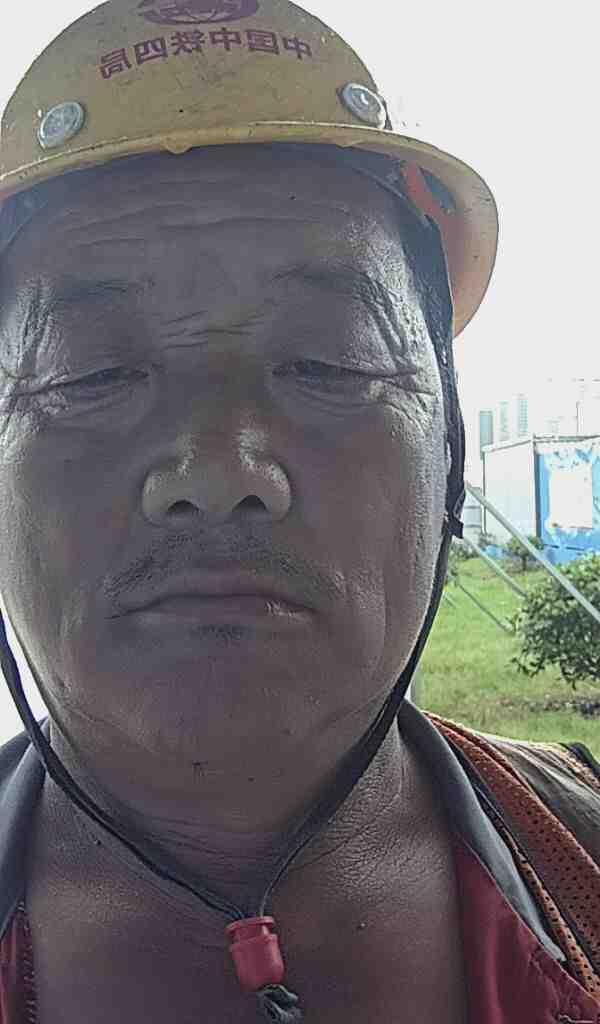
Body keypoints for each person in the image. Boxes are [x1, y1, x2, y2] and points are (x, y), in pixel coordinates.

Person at [0, 1, 598, 1021]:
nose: (216, 469)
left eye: (330, 361)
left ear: (447, 446)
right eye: (88, 374)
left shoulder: (580, 852)